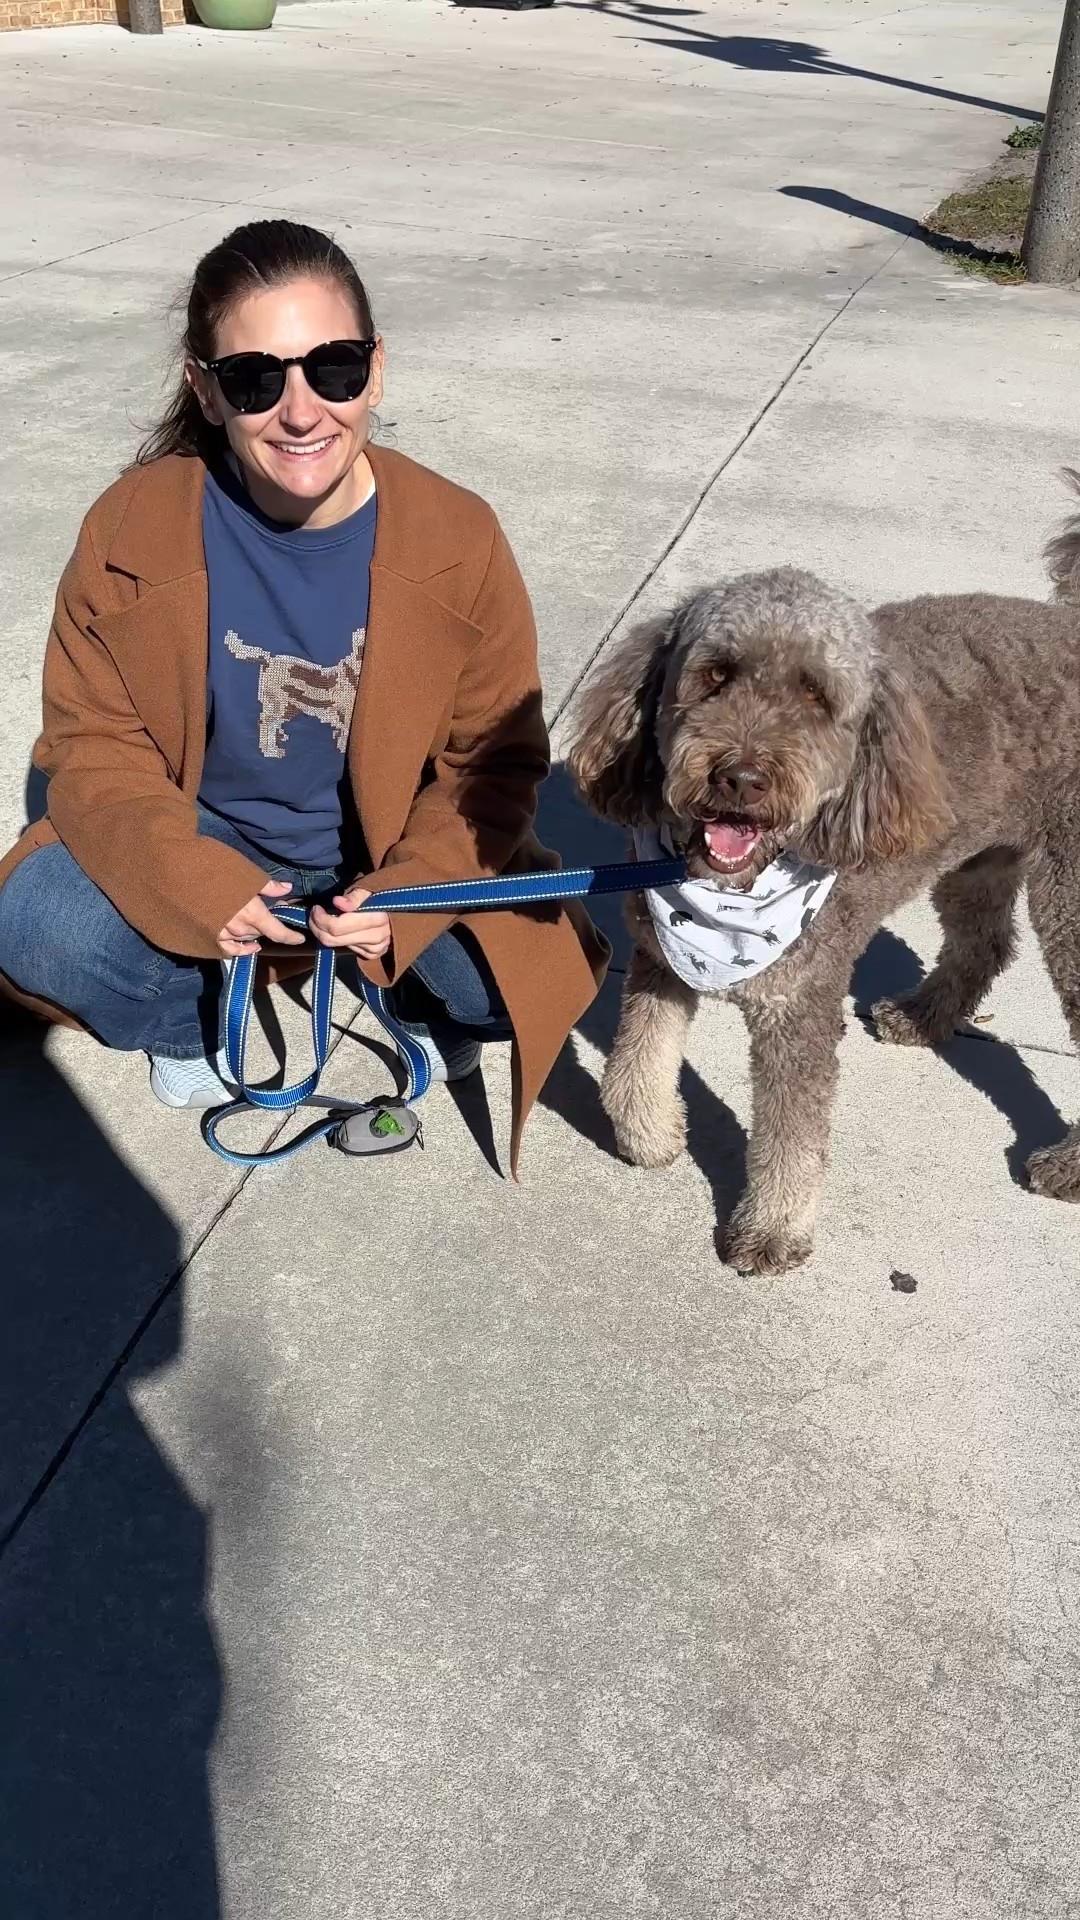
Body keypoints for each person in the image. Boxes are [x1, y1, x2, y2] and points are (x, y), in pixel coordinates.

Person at [0, 218, 608, 1170]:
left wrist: (405, 895)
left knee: (510, 985)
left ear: (375, 368)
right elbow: (93, 749)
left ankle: (380, 972)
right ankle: (184, 1021)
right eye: (254, 377)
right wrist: (196, 881)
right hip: (203, 844)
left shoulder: (460, 536)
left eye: (332, 368)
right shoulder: (132, 526)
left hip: (389, 852)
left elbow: (492, 765)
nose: (300, 411)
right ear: (205, 389)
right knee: (39, 930)